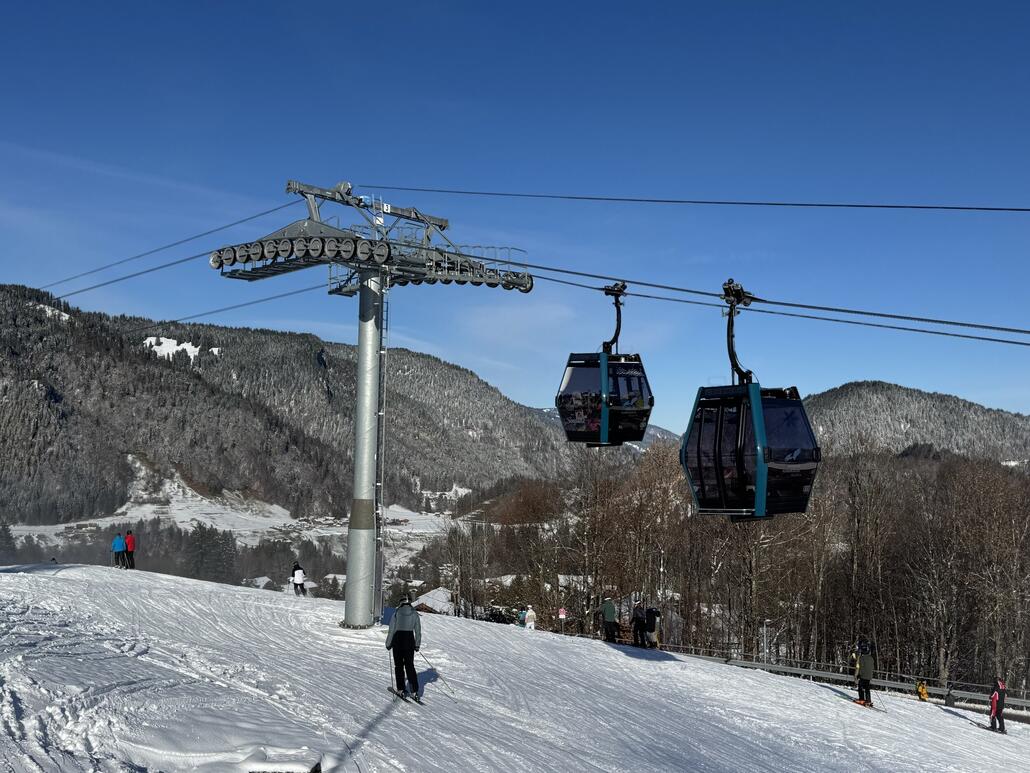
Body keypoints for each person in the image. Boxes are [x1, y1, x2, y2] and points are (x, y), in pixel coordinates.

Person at [386, 595, 422, 699]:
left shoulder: (396, 613)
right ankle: (414, 691)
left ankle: (401, 689)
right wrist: (417, 644)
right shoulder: (415, 614)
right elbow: (418, 631)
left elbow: (391, 630)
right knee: (410, 665)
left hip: (398, 640)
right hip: (409, 640)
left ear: (400, 602)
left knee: (399, 666)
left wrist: (388, 643)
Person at [856, 640, 875, 706]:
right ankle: (868, 700)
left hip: (863, 676)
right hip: (869, 676)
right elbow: (872, 667)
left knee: (860, 687)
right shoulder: (871, 658)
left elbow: (861, 667)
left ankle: (861, 699)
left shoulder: (861, 658)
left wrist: (859, 675)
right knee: (867, 688)